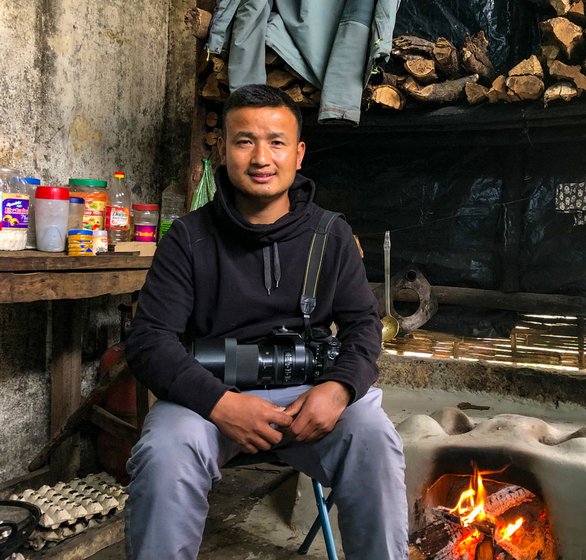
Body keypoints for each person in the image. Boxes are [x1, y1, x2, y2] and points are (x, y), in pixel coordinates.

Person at [124, 84, 408, 560]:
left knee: (374, 438)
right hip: (208, 398)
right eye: (244, 140)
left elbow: (363, 327)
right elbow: (150, 340)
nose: (261, 158)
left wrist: (338, 389)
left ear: (298, 154)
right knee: (165, 453)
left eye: (276, 142)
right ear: (223, 149)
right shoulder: (188, 238)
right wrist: (220, 403)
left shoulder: (330, 234)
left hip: (309, 395)